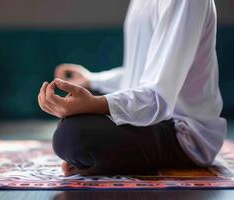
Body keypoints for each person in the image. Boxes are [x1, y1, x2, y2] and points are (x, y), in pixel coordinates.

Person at [37, 0, 227, 176]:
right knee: (75, 116)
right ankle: (99, 159)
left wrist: (94, 104)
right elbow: (144, 75)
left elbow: (158, 98)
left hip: (182, 134)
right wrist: (92, 81)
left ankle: (96, 159)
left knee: (73, 134)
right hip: (151, 115)